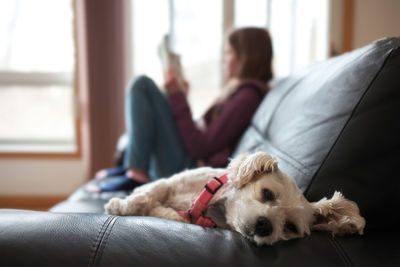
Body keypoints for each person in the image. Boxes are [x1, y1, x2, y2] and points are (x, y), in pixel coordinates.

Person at [87, 27, 274, 192]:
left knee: (141, 85)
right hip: (189, 161)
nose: (224, 60)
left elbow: (200, 147)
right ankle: (134, 165)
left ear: (246, 57)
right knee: (153, 93)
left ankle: (137, 172)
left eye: (228, 53)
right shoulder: (239, 91)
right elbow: (205, 133)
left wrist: (179, 98)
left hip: (190, 169)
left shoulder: (247, 97)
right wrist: (180, 96)